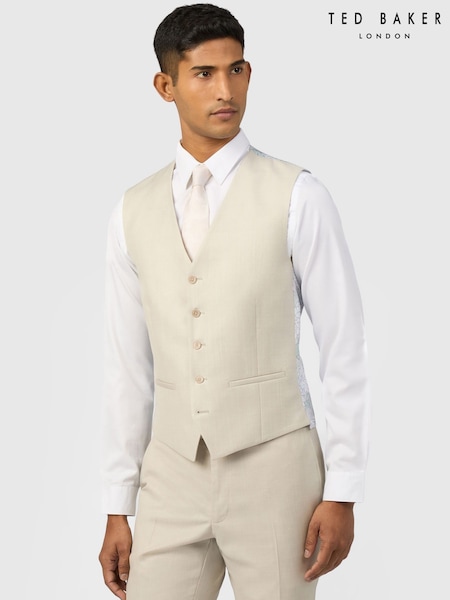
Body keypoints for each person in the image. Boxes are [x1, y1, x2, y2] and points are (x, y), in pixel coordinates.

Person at [98, 4, 370, 600]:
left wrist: (343, 490)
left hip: (276, 471)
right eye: (204, 73)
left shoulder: (299, 195)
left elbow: (343, 347)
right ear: (165, 86)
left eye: (237, 69)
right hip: (171, 475)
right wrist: (119, 503)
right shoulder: (130, 211)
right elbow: (128, 367)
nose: (226, 90)